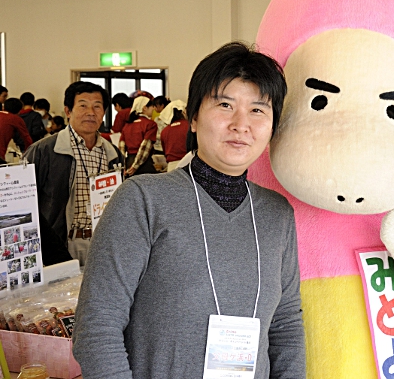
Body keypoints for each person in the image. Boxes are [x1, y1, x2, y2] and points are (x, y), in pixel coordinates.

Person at [73, 42, 305, 378]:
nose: (241, 124)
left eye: (258, 110)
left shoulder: (276, 214)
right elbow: (97, 327)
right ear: (193, 118)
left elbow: (286, 327)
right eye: (225, 105)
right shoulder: (142, 200)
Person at [24, 82, 124, 266]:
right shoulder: (44, 151)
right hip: (61, 245)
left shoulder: (113, 154)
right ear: (68, 111)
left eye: (97, 107)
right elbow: (25, 203)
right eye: (83, 105)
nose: (91, 112)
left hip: (102, 244)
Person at [118, 96, 158, 176]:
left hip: (129, 162)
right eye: (151, 106)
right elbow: (145, 147)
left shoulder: (127, 125)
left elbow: (121, 148)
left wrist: (123, 167)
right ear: (144, 108)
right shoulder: (150, 124)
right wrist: (135, 166)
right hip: (144, 164)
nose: (153, 109)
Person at [160, 103, 190, 171]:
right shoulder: (189, 126)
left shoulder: (165, 131)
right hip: (188, 163)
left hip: (172, 166)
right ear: (183, 112)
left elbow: (165, 151)